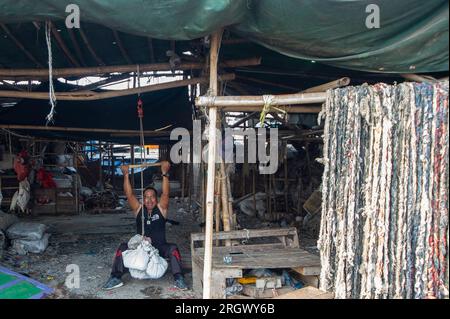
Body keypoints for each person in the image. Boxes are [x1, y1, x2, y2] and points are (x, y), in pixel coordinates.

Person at [102, 161, 188, 290]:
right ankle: (115, 277)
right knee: (122, 248)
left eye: (152, 197)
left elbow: (165, 193)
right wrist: (125, 174)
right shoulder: (138, 209)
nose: (149, 200)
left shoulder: (161, 209)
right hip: (140, 248)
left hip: (159, 247)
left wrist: (165, 173)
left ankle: (179, 278)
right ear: (142, 199)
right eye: (146, 197)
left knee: (173, 248)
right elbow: (129, 194)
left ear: (156, 199)